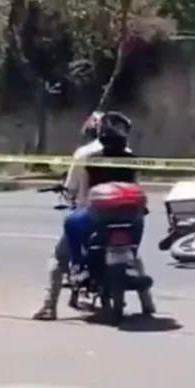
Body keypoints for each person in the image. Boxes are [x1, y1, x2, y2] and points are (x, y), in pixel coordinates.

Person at [32, 111, 156, 320]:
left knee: (59, 257)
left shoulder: (84, 154)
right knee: (132, 254)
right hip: (127, 216)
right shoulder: (128, 154)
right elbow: (135, 185)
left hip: (91, 216)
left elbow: (71, 188)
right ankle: (147, 302)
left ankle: (49, 306)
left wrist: (68, 192)